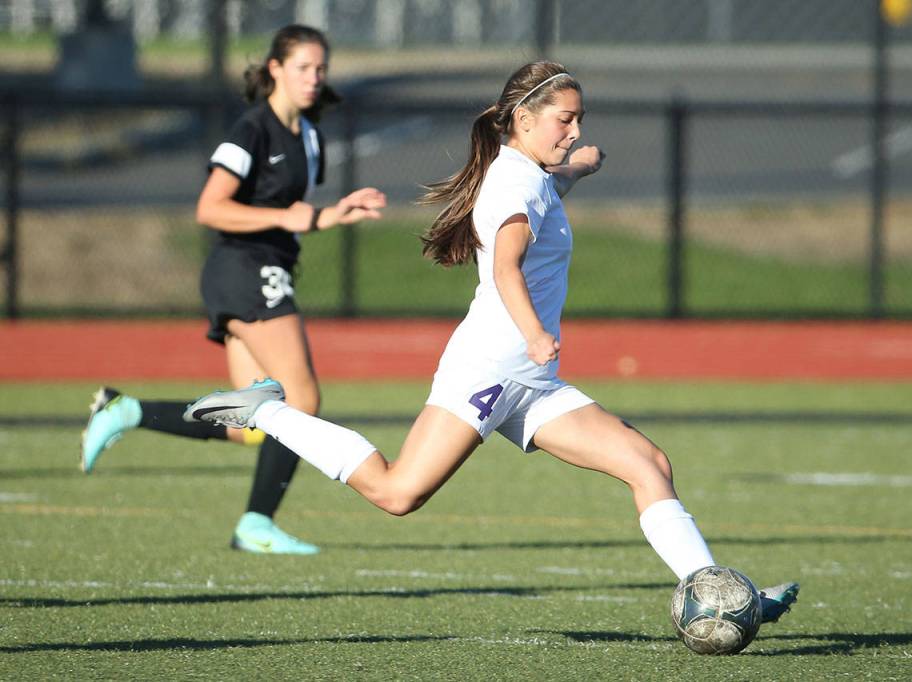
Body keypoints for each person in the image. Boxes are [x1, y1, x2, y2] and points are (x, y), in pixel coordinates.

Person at [182, 60, 798, 619]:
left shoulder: (528, 173)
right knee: (397, 493)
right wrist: (534, 333)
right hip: (491, 369)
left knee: (649, 464)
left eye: (579, 120)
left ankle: (717, 598)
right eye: (565, 120)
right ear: (523, 119)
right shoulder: (513, 185)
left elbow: (552, 185)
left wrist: (579, 164)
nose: (574, 131)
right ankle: (269, 410)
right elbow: (505, 266)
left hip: (530, 382)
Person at [79, 24, 387, 555]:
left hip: (263, 268)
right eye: (303, 68)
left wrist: (331, 214)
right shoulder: (252, 130)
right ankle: (256, 524)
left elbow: (296, 215)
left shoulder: (310, 136)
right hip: (244, 268)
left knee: (253, 422)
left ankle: (127, 411)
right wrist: (291, 215)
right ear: (275, 69)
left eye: (321, 69)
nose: (315, 78)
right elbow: (210, 207)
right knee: (301, 400)